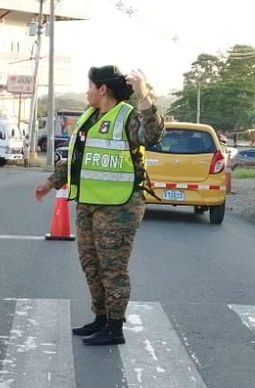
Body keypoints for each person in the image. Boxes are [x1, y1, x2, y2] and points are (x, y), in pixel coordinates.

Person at [34, 65, 163, 346]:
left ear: (102, 89)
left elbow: (151, 137)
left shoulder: (127, 117)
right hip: (89, 204)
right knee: (91, 265)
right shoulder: (90, 118)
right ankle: (101, 318)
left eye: (90, 85)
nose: (86, 91)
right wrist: (50, 182)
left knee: (112, 269)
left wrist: (144, 96)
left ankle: (114, 328)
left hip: (119, 208)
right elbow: (76, 159)